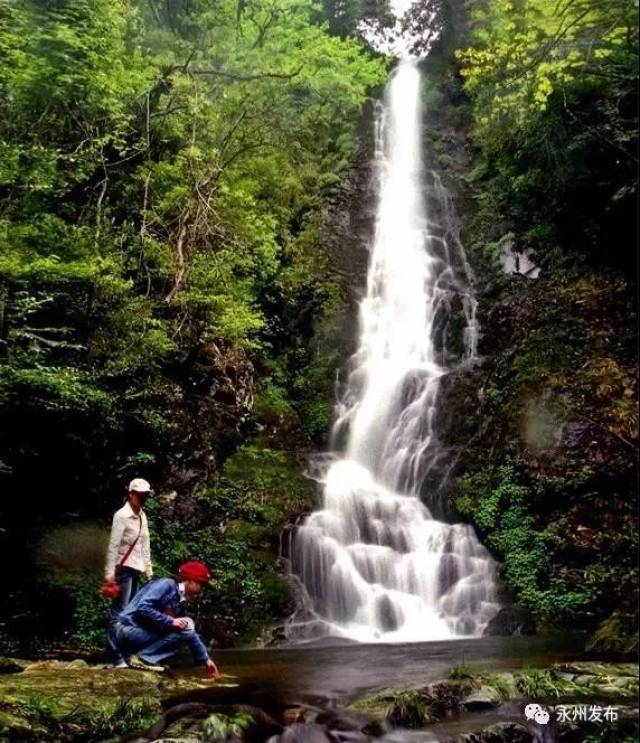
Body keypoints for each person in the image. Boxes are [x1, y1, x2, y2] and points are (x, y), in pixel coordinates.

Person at [114, 560, 219, 678]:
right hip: (128, 629)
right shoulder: (166, 584)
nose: (202, 592)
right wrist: (171, 621)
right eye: (201, 586)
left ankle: (143, 658)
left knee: (186, 627)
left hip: (139, 633)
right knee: (187, 624)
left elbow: (189, 633)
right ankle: (144, 659)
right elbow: (143, 607)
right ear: (190, 581)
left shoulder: (179, 599)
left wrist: (206, 660)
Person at [104, 477, 154, 667]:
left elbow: (145, 545)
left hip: (137, 568)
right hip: (123, 569)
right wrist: (109, 575)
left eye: (145, 495)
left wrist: (149, 572)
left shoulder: (142, 516)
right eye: (140, 495)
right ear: (131, 494)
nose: (143, 498)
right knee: (119, 613)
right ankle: (115, 656)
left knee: (130, 614)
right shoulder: (121, 515)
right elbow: (113, 546)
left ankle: (123, 654)